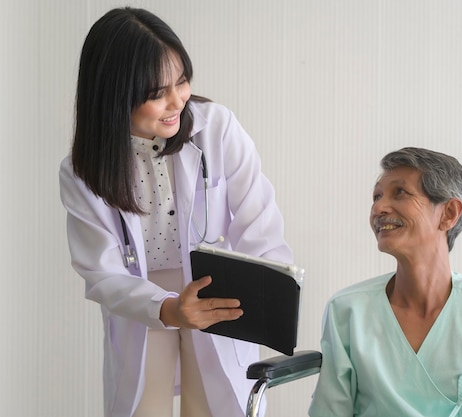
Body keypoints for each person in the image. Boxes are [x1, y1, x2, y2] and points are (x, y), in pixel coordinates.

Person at [59, 7, 293, 417]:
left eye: (181, 81)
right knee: (143, 407)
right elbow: (100, 271)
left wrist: (266, 298)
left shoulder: (216, 128)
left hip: (214, 291)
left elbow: (260, 224)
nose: (176, 101)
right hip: (143, 299)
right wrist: (167, 308)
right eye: (156, 93)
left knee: (213, 406)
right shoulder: (82, 170)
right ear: (115, 96)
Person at [308, 147, 462, 417]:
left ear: (448, 213)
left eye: (399, 192)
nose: (378, 207)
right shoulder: (347, 312)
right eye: (376, 196)